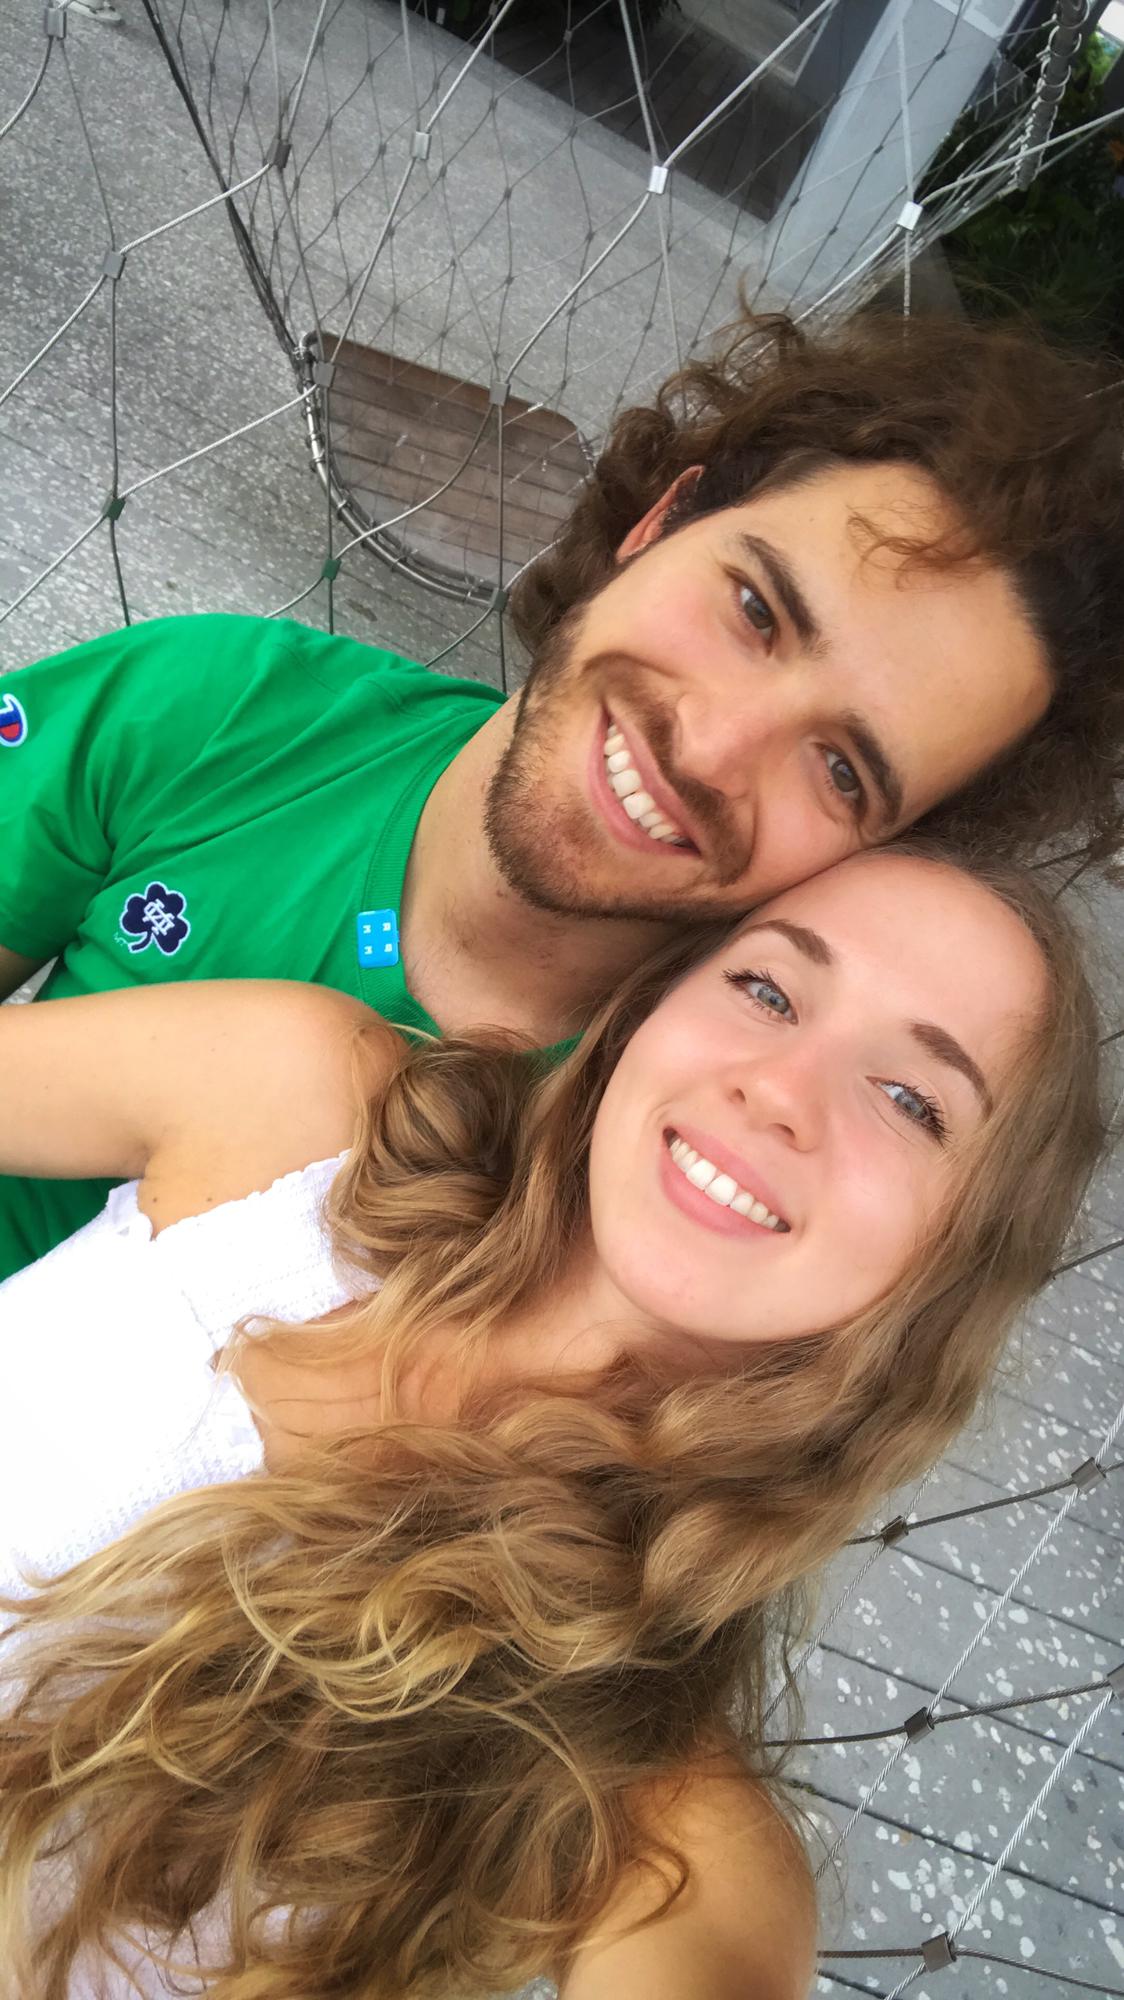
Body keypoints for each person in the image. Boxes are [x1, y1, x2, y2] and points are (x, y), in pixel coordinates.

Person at [0, 845, 1106, 2000]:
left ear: (957, 1258)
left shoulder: (645, 1815)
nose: (778, 1091)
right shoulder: (295, 1095)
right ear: (644, 1012)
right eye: (766, 989)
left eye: (910, 1100)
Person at [0, 309, 1122, 1281]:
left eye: (840, 771)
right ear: (660, 522)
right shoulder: (212, 707)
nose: (711, 748)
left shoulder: (708, 1161)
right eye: (754, 609)